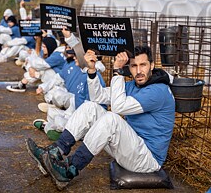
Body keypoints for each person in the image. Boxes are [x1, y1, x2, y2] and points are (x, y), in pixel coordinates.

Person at [26, 45, 175, 190]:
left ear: (152, 65)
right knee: (91, 107)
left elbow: (117, 107)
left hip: (147, 159)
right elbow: (97, 96)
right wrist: (92, 70)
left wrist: (117, 72)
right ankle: (55, 152)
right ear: (129, 67)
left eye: (143, 65)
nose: (139, 71)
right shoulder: (133, 86)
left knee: (111, 119)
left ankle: (69, 170)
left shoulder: (158, 91)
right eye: (134, 66)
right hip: (131, 147)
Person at [33, 46, 107, 141]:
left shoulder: (93, 77)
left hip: (90, 120)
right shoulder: (82, 72)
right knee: (52, 113)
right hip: (78, 112)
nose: (74, 57)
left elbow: (89, 110)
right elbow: (76, 101)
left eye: (77, 56)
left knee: (59, 121)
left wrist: (70, 118)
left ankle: (48, 127)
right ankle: (53, 127)